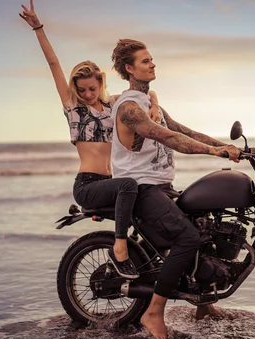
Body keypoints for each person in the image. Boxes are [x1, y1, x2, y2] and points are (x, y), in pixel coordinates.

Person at [19, 1, 162, 279]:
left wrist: (154, 105)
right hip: (88, 185)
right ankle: (119, 248)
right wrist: (38, 28)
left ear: (101, 82)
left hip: (112, 183)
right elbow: (53, 63)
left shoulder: (113, 104)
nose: (87, 94)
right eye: (81, 89)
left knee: (154, 202)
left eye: (91, 88)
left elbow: (145, 93)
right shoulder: (73, 109)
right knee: (130, 184)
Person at [110, 38, 241, 339]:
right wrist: (213, 153)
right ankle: (153, 311)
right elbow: (167, 138)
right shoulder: (129, 108)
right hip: (141, 189)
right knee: (188, 237)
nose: (153, 63)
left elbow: (183, 130)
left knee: (206, 226)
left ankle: (203, 305)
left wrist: (226, 146)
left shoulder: (151, 104)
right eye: (145, 61)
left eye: (151, 59)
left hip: (162, 186)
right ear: (129, 68)